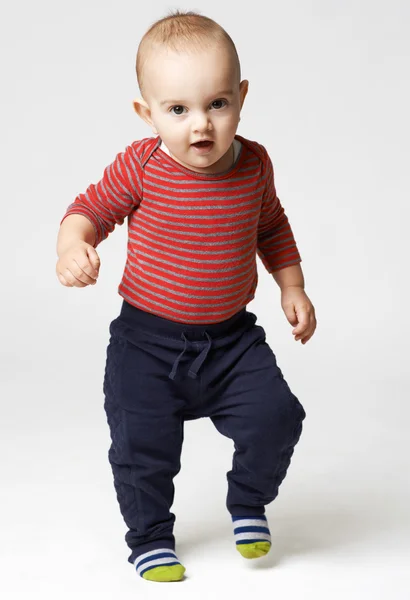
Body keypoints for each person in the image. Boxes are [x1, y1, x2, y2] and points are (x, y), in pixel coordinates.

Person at [56, 9, 317, 583]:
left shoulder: (254, 165)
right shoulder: (142, 164)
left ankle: (248, 501)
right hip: (146, 344)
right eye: (177, 110)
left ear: (241, 98)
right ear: (146, 112)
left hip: (231, 342)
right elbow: (89, 210)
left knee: (278, 417)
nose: (200, 125)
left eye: (217, 104)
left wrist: (291, 284)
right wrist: (71, 247)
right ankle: (150, 537)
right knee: (142, 448)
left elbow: (270, 226)